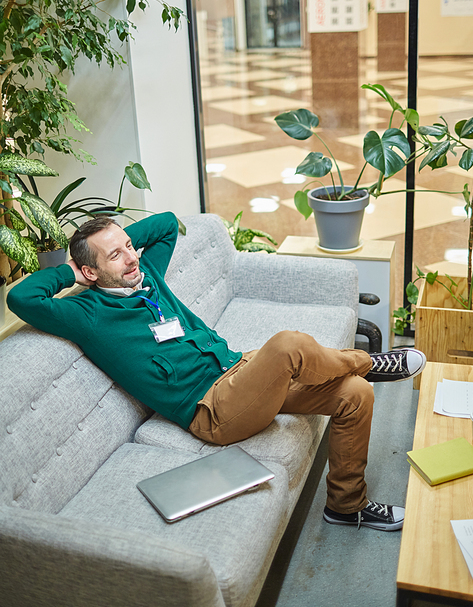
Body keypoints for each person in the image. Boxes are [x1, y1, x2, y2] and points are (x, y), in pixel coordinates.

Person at [7, 211, 426, 532]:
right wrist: (69, 270)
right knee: (288, 346)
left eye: (130, 246)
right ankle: (371, 363)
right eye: (116, 255)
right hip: (213, 410)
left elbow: (168, 225)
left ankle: (345, 506)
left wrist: (120, 242)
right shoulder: (87, 313)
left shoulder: (147, 274)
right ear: (91, 271)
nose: (133, 257)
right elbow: (23, 297)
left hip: (237, 371)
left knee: (355, 395)